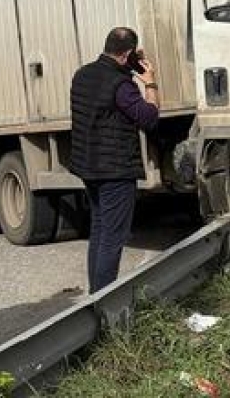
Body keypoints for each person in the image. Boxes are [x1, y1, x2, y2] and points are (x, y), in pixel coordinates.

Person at [68, 27, 160, 294]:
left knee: (99, 232)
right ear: (128, 54)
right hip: (116, 170)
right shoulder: (121, 85)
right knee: (113, 238)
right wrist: (150, 82)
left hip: (89, 167)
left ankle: (96, 296)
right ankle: (105, 303)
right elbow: (149, 118)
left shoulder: (82, 75)